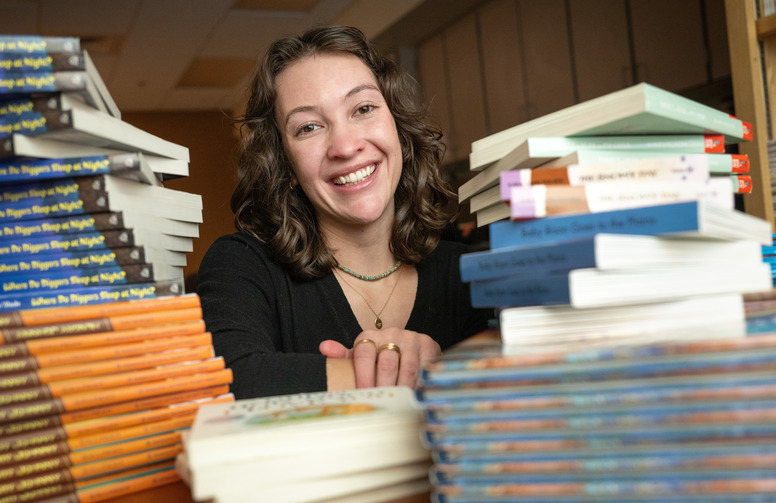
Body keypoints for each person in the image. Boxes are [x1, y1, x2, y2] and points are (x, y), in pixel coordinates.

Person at [196, 25, 493, 399]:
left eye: (363, 108)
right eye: (308, 127)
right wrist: (415, 371)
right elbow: (232, 378)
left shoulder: (473, 274)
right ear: (285, 165)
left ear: (399, 130)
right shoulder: (243, 265)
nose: (345, 146)